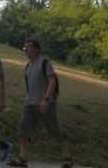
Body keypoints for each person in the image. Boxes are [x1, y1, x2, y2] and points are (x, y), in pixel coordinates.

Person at [7, 39, 73, 168]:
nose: (26, 50)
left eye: (29, 47)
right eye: (25, 48)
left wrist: (46, 99)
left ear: (36, 49)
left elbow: (52, 82)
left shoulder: (44, 63)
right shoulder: (28, 66)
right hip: (30, 104)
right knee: (23, 131)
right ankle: (22, 159)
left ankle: (67, 158)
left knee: (55, 130)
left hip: (46, 104)